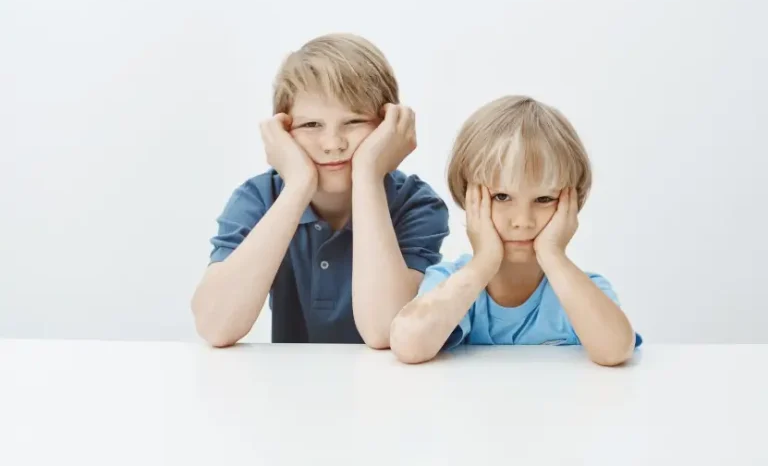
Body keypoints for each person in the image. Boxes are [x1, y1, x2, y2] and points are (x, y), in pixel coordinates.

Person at [191, 33, 449, 348]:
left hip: (383, 378)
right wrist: (298, 185)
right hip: (292, 379)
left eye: (354, 121)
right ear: (283, 131)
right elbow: (215, 326)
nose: (333, 144)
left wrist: (368, 176)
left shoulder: (416, 204)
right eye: (311, 125)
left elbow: (385, 331)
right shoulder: (259, 197)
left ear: (387, 125)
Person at [389, 95, 642, 366]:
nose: (523, 221)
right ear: (467, 196)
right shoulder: (449, 281)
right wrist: (484, 261)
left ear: (572, 203)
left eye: (544, 199)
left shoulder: (581, 289)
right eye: (501, 197)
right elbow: (408, 346)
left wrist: (553, 255)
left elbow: (615, 351)